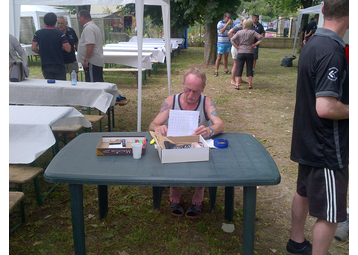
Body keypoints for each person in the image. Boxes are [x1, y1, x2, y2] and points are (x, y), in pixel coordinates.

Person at [286, 1, 349, 254]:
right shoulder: (332, 50)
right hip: (326, 147)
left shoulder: (312, 42)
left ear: (322, 11)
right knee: (332, 212)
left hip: (307, 138)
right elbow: (326, 107)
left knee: (303, 191)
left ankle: (296, 242)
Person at [149, 67, 224, 218]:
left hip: (197, 146)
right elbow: (152, 125)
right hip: (174, 145)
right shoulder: (171, 101)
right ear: (182, 84)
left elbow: (220, 125)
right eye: (187, 89)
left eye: (196, 91)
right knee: (170, 154)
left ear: (203, 88)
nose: (190, 95)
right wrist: (159, 128)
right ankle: (174, 187)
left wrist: (209, 131)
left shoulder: (207, 102)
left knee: (203, 156)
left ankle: (200, 188)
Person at [31, 12, 71, 80]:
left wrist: (41, 53)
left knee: (50, 86)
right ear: (55, 22)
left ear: (44, 21)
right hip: (58, 64)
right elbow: (68, 49)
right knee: (61, 86)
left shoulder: (38, 33)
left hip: (45, 64)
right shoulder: (60, 34)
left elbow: (33, 48)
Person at [230, 18, 264, 90]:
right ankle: (250, 84)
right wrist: (255, 44)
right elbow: (261, 38)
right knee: (249, 68)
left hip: (241, 51)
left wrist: (237, 46)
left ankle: (237, 85)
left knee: (239, 68)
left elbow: (232, 39)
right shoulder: (253, 32)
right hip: (250, 52)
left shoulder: (239, 32)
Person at [77, 9, 104, 82]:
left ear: (83, 17)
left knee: (93, 83)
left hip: (92, 62)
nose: (79, 20)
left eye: (79, 18)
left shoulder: (88, 28)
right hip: (94, 61)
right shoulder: (94, 27)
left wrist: (86, 59)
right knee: (96, 81)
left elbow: (90, 44)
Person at [228, 18, 247, 85]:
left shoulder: (242, 27)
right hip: (236, 47)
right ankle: (233, 80)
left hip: (240, 47)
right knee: (236, 64)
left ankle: (239, 78)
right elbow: (229, 32)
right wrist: (234, 42)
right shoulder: (238, 26)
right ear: (242, 21)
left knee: (240, 64)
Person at [214, 12, 232, 77]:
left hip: (227, 42)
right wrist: (227, 24)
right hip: (221, 43)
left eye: (229, 18)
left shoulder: (228, 25)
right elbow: (221, 31)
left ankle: (226, 70)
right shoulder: (220, 23)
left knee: (226, 57)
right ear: (224, 17)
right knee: (219, 57)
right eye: (228, 18)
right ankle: (216, 71)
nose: (229, 19)